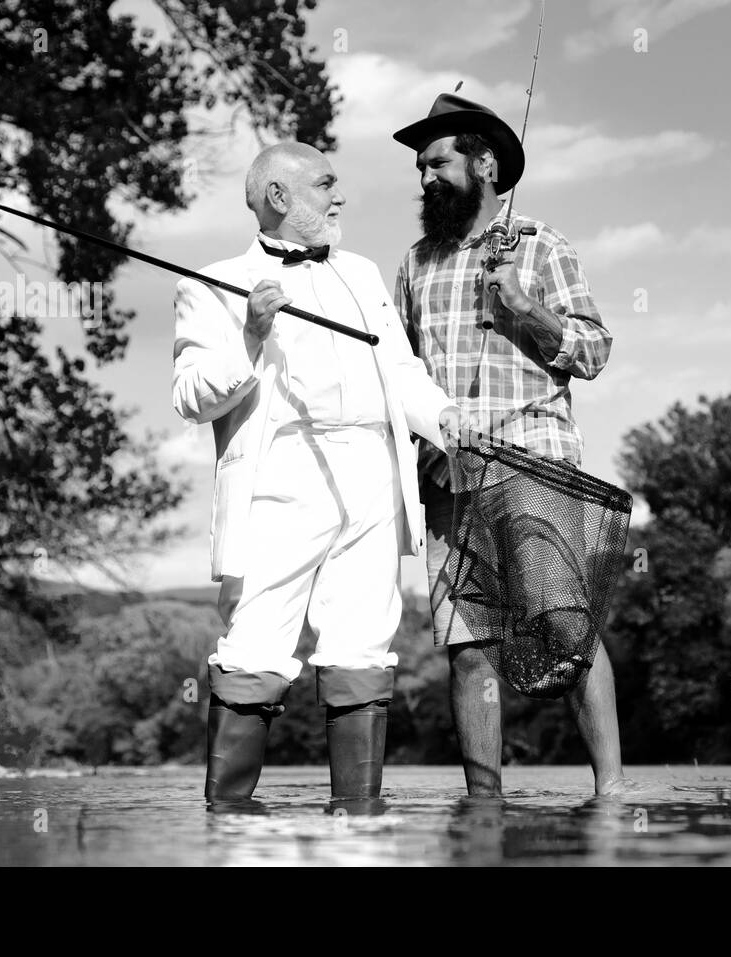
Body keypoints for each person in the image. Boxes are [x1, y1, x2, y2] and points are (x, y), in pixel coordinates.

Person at [171, 142, 459, 805]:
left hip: (373, 474)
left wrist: (448, 420)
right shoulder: (211, 284)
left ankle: (359, 824)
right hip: (280, 477)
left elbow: (402, 373)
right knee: (254, 642)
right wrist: (249, 333)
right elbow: (191, 397)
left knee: (364, 643)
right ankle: (231, 824)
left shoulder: (362, 274)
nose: (341, 195)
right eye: (327, 183)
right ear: (280, 196)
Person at [392, 94, 638, 796]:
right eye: (419, 168)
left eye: (439, 162)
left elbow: (593, 351)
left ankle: (613, 797)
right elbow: (405, 374)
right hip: (449, 474)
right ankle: (484, 809)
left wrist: (526, 310)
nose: (425, 179)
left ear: (486, 163)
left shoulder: (543, 245)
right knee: (468, 651)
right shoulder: (413, 264)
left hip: (535, 462)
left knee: (567, 631)